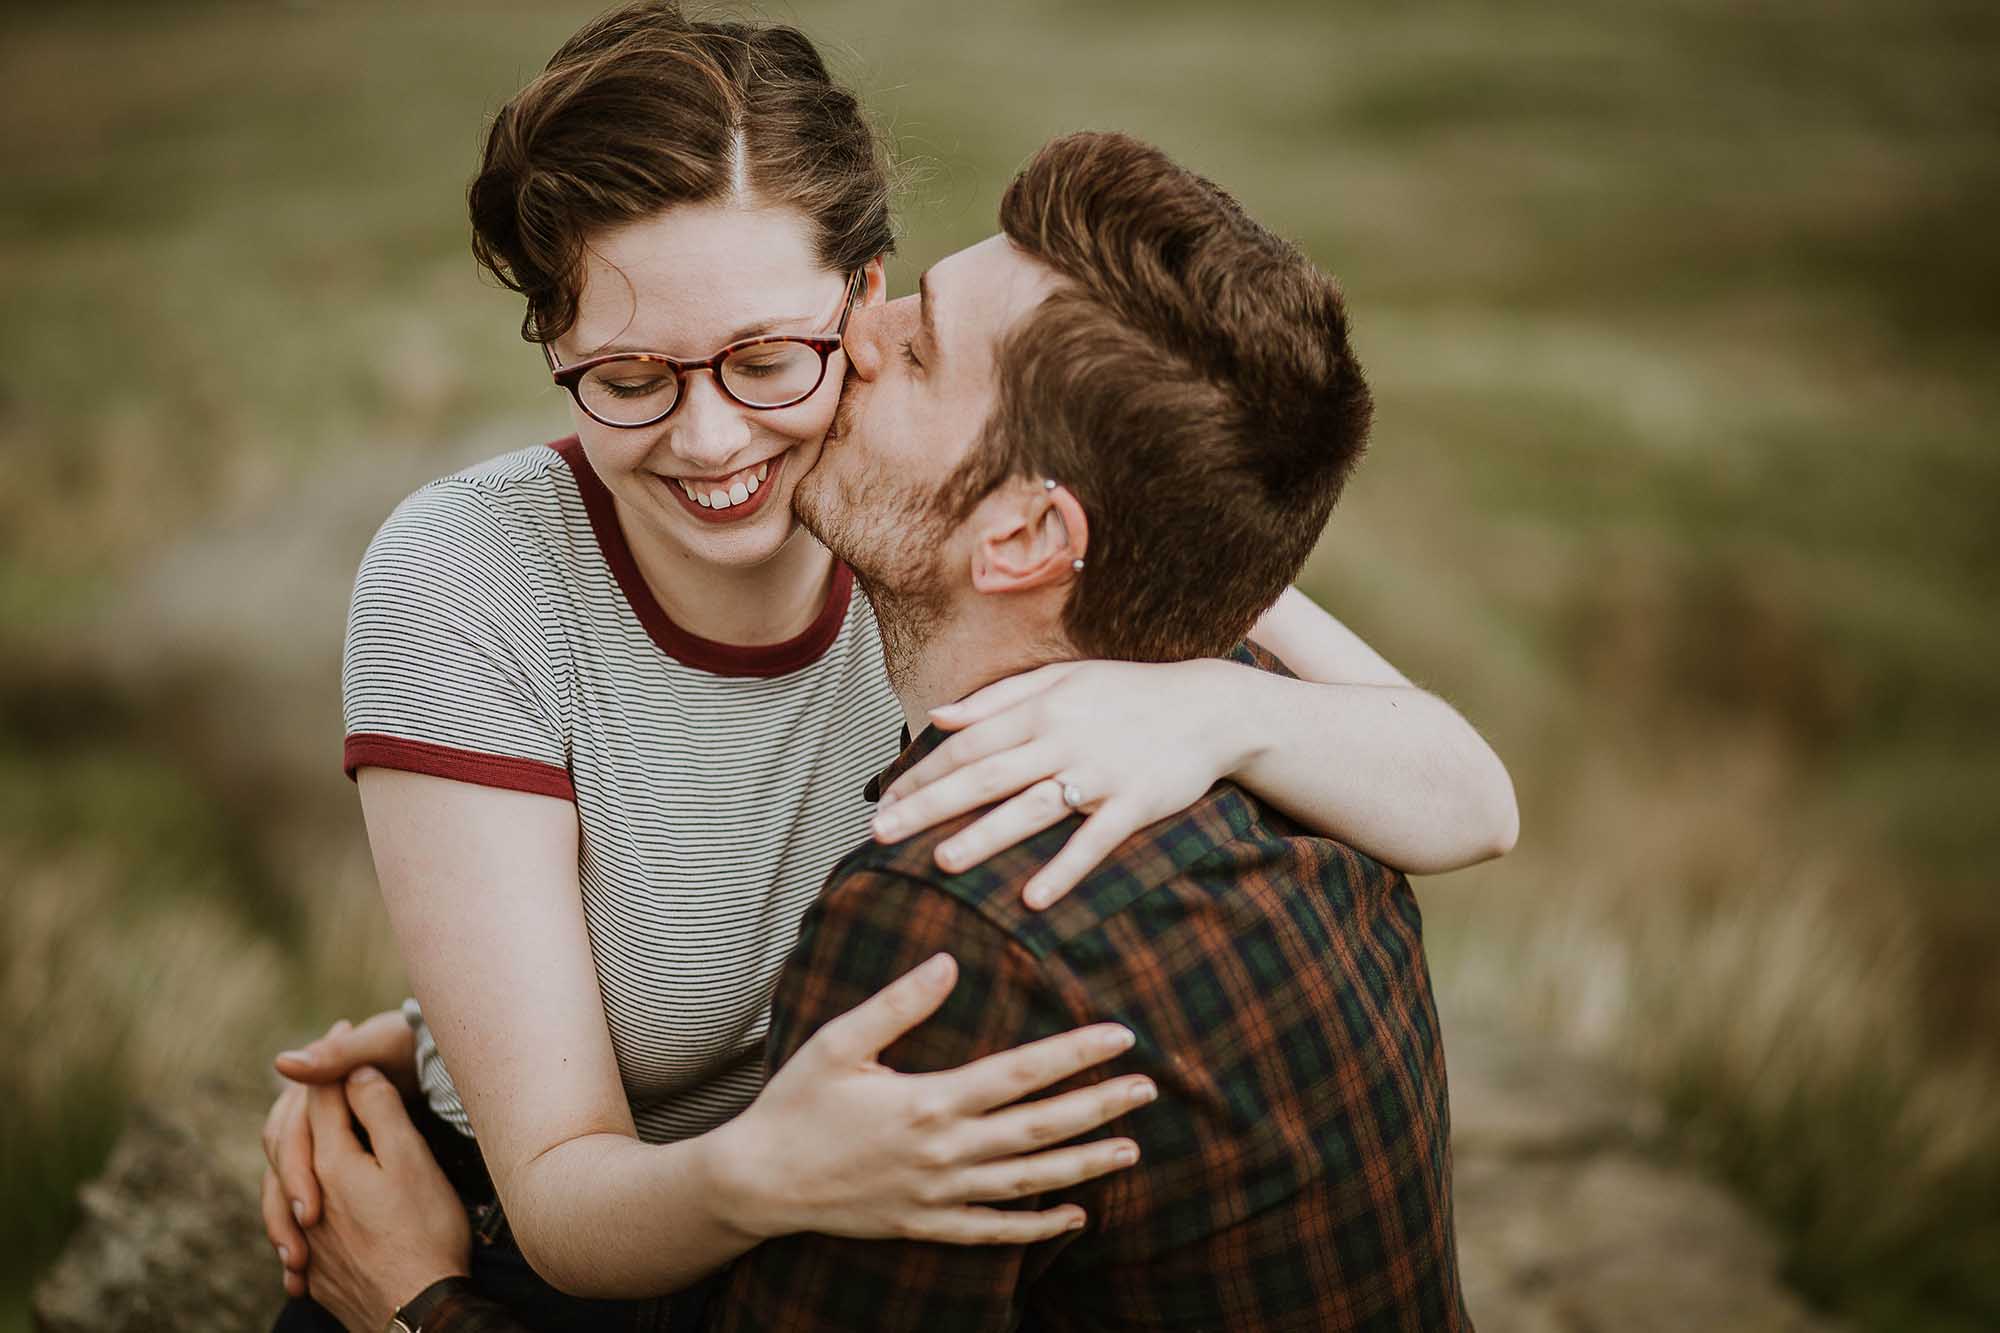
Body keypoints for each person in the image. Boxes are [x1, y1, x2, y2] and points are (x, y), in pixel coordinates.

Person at [261, 3, 1511, 1327]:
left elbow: (1471, 795)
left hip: (851, 1223)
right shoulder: (470, 575)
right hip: (598, 1243)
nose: (708, 437)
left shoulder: (945, 515)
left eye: (763, 357)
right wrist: (705, 1146)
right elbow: (568, 1184)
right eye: (627, 377)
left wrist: (1220, 703)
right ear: (555, 348)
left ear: (863, 303)